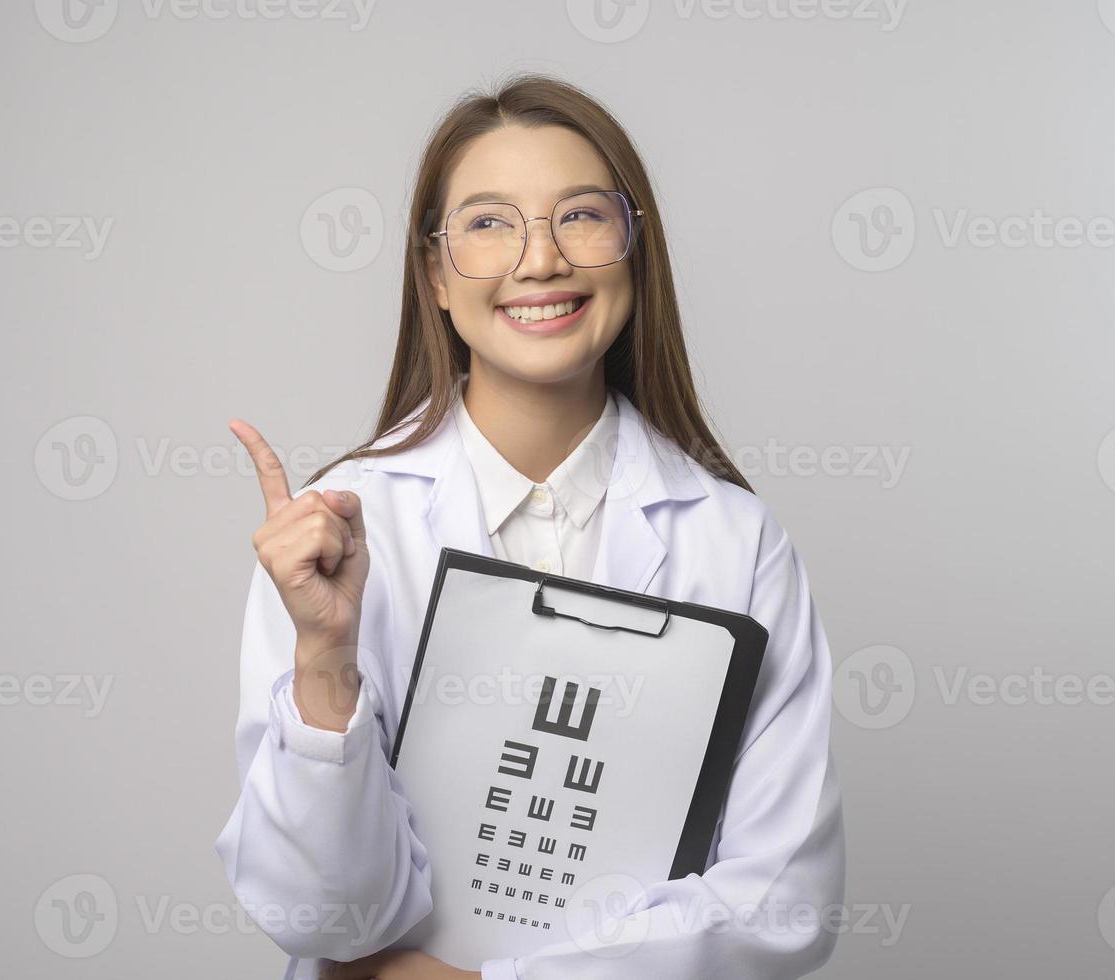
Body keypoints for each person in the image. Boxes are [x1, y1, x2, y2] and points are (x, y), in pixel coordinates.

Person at [214, 72, 844, 980]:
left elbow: (783, 899)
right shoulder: (341, 531)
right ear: (433, 274)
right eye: (486, 222)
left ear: (632, 246)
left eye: (580, 215)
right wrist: (324, 659)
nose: (539, 260)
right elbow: (322, 916)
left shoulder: (734, 541)